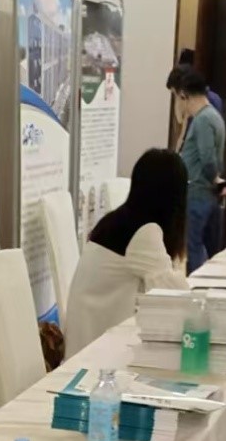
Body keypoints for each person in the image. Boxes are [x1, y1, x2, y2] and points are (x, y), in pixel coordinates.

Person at [65, 148, 189, 353]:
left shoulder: (120, 220)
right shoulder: (144, 234)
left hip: (87, 341)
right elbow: (174, 294)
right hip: (97, 353)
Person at [175, 67, 226, 274]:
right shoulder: (214, 116)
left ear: (184, 95)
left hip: (197, 191)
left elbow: (207, 158)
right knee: (204, 247)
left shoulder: (203, 119)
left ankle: (196, 286)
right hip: (205, 193)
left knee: (193, 246)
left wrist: (215, 179)